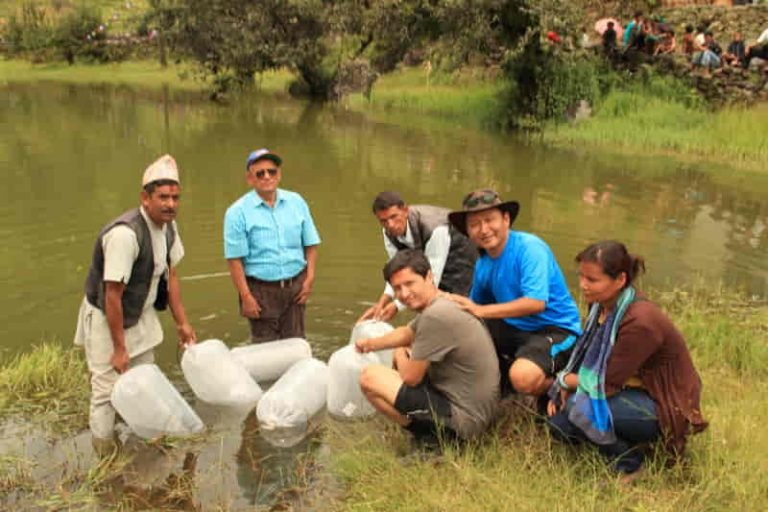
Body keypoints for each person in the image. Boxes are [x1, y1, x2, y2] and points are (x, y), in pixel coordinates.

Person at [547, 241, 708, 482]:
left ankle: (631, 465)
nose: (582, 286)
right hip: (631, 390)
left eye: (592, 280)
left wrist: (565, 381)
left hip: (665, 405)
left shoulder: (640, 322)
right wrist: (571, 386)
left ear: (620, 280)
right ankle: (632, 442)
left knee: (578, 408)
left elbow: (604, 384)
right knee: (559, 426)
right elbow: (591, 358)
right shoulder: (601, 305)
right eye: (581, 277)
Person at [74, 155, 196, 450]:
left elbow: (172, 275)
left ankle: (143, 438)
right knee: (105, 392)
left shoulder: (169, 227)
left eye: (175, 197)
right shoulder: (125, 234)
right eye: (163, 197)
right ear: (145, 197)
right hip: (108, 317)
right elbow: (112, 294)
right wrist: (119, 348)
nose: (170, 204)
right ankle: (104, 454)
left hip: (139, 312)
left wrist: (182, 323)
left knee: (144, 380)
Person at [446, 189, 582, 401]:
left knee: (523, 377)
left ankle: (564, 387)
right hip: (514, 327)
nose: (484, 229)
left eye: (490, 220)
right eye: (474, 224)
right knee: (461, 339)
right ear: (468, 232)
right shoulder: (483, 264)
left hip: (556, 329)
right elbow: (473, 310)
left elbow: (536, 303)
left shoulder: (530, 248)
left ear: (506, 219)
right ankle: (504, 380)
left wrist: (480, 310)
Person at [356, 249, 499, 442]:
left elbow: (410, 378)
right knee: (407, 351)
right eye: (397, 288)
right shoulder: (442, 303)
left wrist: (398, 354)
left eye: (409, 283)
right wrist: (370, 344)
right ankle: (430, 435)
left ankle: (431, 439)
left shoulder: (436, 316)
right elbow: (407, 333)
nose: (404, 294)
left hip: (464, 421)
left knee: (369, 378)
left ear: (429, 276)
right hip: (474, 411)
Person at [224, 148, 321, 342]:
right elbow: (235, 260)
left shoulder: (296, 202)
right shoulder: (237, 212)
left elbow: (310, 244)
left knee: (296, 342)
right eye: (260, 173)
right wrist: (245, 296)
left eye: (272, 171)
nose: (267, 176)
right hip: (260, 290)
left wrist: (309, 278)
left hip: (296, 286)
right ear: (250, 179)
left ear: (279, 174)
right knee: (265, 349)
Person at [358, 191, 477, 323]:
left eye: (394, 217)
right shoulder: (388, 232)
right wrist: (382, 303)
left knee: (448, 305)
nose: (390, 224)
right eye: (384, 221)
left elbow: (432, 280)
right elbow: (396, 271)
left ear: (405, 210)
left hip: (460, 259)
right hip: (429, 256)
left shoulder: (435, 229)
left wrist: (397, 306)